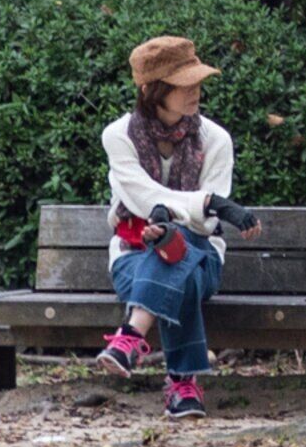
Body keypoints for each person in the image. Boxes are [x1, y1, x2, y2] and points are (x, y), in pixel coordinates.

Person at [100, 34, 242, 417]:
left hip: (203, 255)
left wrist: (195, 214)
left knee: (181, 245)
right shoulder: (118, 137)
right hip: (132, 257)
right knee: (178, 264)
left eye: (197, 82)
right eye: (184, 85)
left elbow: (205, 222)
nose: (194, 91)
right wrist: (205, 202)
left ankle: (131, 338)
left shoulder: (216, 140)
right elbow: (142, 199)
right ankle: (183, 384)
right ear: (151, 90)